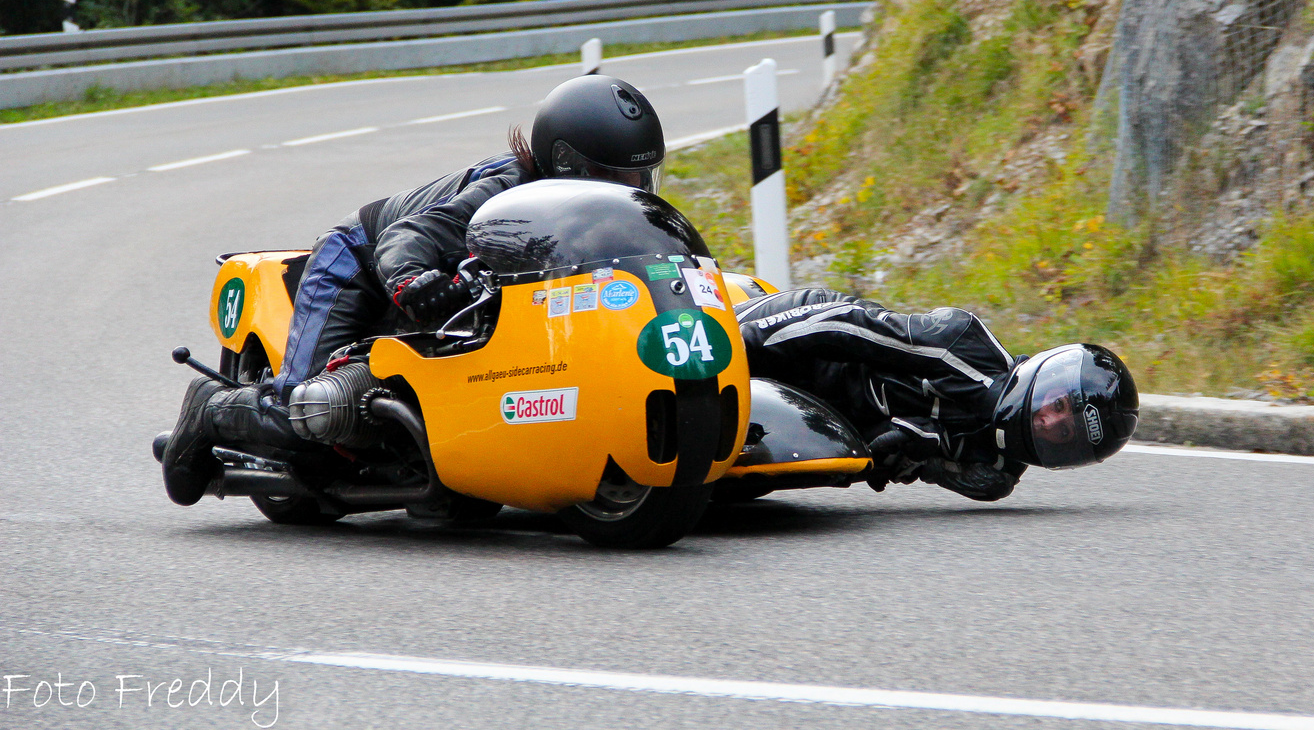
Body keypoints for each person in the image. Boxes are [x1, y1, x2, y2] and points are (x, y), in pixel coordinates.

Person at [161, 74, 666, 506]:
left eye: (639, 175)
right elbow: (410, 235)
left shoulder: (593, 214)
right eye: (613, 175)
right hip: (359, 258)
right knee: (306, 418)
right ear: (565, 162)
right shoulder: (505, 192)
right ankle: (209, 407)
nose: (630, 187)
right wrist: (410, 279)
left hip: (438, 281)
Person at [736, 287, 1138, 500]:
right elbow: (844, 324)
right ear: (1050, 376)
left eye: (1062, 432)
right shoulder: (963, 342)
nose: (1047, 419)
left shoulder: (992, 477)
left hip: (823, 417)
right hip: (809, 339)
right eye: (1060, 403)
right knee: (709, 357)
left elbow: (889, 465)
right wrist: (738, 344)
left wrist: (914, 442)